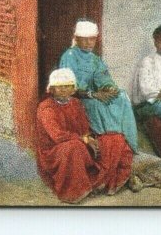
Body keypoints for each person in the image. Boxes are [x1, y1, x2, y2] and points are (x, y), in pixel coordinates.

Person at [35, 68, 133, 203]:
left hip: (80, 142)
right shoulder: (46, 108)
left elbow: (84, 128)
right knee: (74, 147)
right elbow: (57, 135)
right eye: (59, 87)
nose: (63, 90)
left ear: (73, 89)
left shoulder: (76, 103)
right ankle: (75, 191)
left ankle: (109, 181)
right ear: (51, 90)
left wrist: (90, 139)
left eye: (67, 86)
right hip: (56, 151)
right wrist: (84, 139)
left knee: (115, 139)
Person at [58, 19, 139, 152]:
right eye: (85, 39)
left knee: (122, 97)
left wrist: (109, 87)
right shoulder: (69, 56)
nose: (89, 43)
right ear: (77, 39)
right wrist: (92, 94)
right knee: (97, 105)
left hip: (94, 94)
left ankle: (127, 143)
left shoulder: (95, 59)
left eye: (92, 39)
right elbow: (68, 87)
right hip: (78, 98)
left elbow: (102, 77)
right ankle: (107, 143)